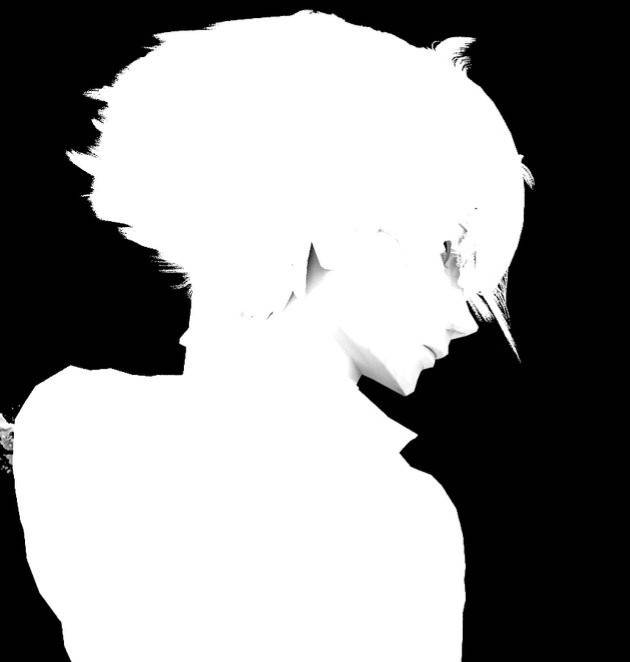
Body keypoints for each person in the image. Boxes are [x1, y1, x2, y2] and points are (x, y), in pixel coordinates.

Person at [13, 10, 531, 661]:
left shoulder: (70, 426)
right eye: (451, 255)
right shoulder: (401, 521)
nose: (467, 317)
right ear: (342, 223)